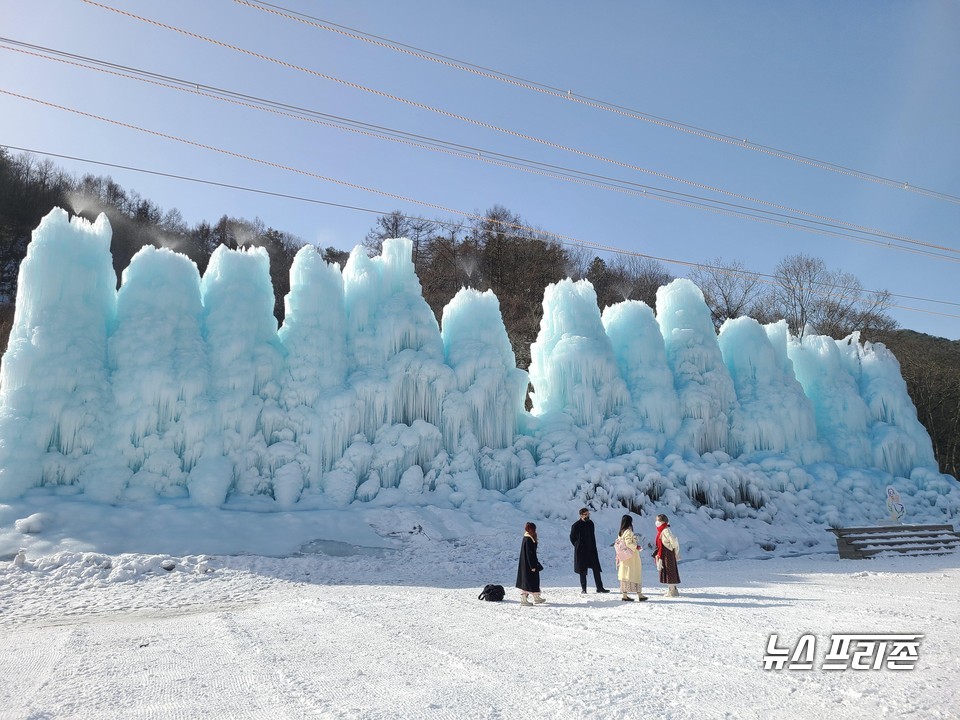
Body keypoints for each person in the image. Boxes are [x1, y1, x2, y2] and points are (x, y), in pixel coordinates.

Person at [570, 507, 609, 594]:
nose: (588, 516)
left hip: (591, 550)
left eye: (588, 514)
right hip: (581, 551)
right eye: (586, 514)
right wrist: (578, 546)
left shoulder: (591, 523)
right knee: (582, 570)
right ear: (581, 515)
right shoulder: (576, 525)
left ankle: (600, 587)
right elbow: (572, 538)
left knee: (596, 569)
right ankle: (584, 588)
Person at [615, 514, 647, 602]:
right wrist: (636, 546)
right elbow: (629, 543)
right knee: (635, 574)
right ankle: (639, 594)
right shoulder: (628, 531)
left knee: (625, 575)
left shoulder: (620, 532)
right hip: (631, 557)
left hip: (624, 557)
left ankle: (625, 595)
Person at [516, 521, 546, 606]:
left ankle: (536, 597)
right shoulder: (528, 539)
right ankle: (524, 599)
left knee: (533, 580)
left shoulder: (528, 537)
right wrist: (532, 566)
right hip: (529, 565)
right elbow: (530, 554)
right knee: (528, 581)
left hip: (528, 563)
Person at [654, 514, 681, 597]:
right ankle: (671, 589)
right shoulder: (662, 530)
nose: (657, 522)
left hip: (667, 552)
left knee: (669, 570)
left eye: (658, 520)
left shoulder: (665, 530)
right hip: (665, 552)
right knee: (668, 570)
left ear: (663, 522)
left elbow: (673, 540)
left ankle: (673, 590)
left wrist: (672, 548)